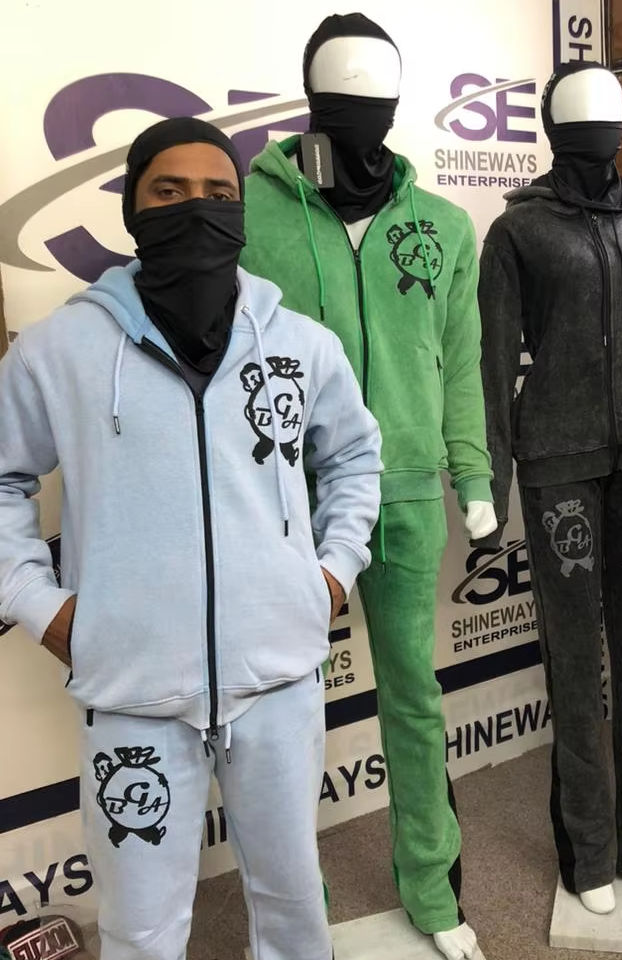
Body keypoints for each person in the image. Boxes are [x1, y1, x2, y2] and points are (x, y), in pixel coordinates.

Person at [0, 117, 382, 960]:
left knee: (293, 903)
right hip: (130, 691)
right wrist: (37, 602)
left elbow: (355, 458)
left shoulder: (299, 345)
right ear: (133, 207)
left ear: (240, 210)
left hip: (278, 678)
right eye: (168, 191)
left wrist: (330, 572)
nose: (196, 208)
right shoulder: (61, 349)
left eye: (217, 193)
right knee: (140, 929)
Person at [240, 15, 494, 960]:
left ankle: (431, 888)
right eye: (344, 96)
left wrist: (472, 473)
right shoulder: (252, 212)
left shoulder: (443, 226)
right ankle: (293, 915)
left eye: (377, 96)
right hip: (288, 499)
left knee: (414, 697)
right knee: (284, 715)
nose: (363, 114)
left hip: (411, 493)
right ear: (311, 98)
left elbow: (462, 363)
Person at [478, 60, 622, 914]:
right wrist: (492, 475)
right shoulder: (519, 232)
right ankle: (590, 852)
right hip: (558, 462)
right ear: (552, 129)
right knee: (573, 660)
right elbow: (494, 356)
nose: (596, 129)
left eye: (608, 114)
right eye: (578, 116)